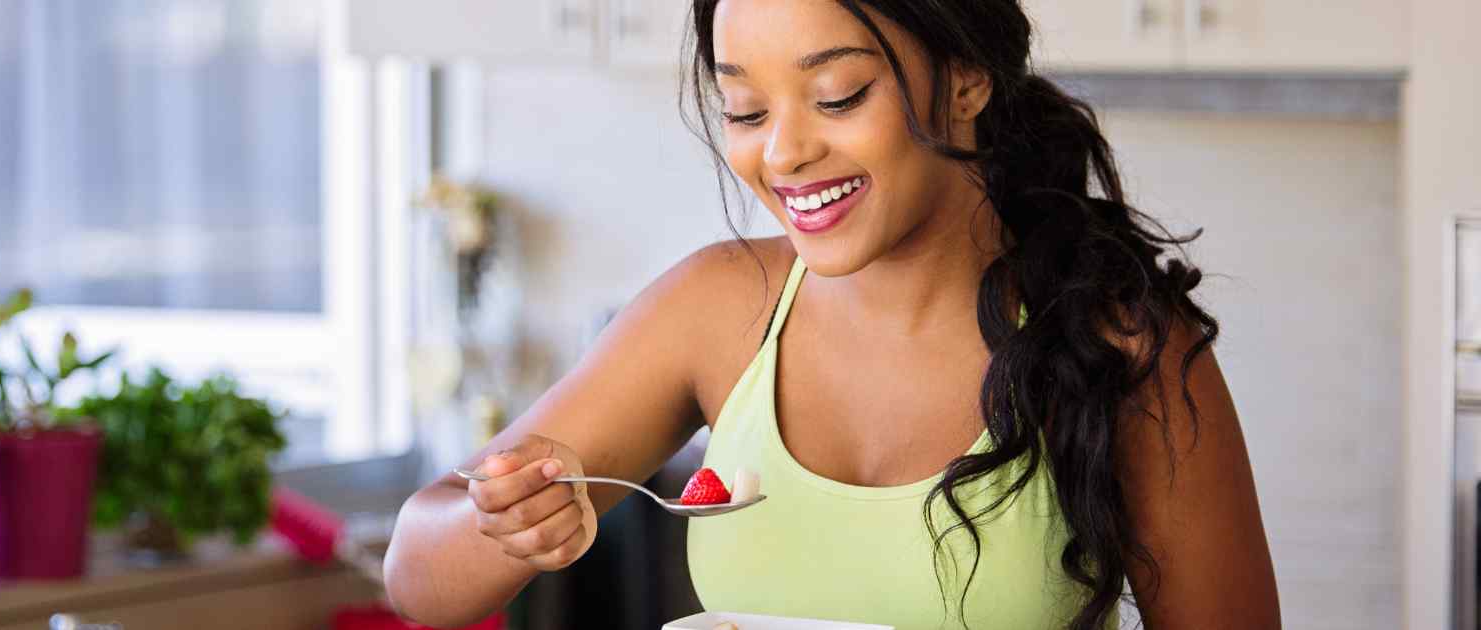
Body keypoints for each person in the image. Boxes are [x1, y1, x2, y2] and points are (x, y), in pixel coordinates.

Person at [382, 1, 1281, 628]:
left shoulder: (1120, 347)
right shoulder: (720, 307)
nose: (784, 152)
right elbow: (418, 574)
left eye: (840, 95)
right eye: (744, 108)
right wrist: (503, 521)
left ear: (967, 77)